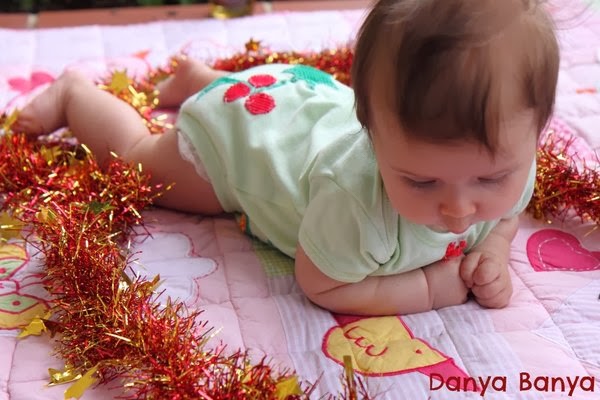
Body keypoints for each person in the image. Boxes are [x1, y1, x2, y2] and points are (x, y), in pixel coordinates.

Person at [14, 0, 559, 316]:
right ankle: (75, 93)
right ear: (372, 136)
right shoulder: (354, 207)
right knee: (138, 161)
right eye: (420, 182)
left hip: (298, 99)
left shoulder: (513, 159)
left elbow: (505, 213)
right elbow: (322, 284)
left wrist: (498, 246)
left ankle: (202, 80)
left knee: (266, 97)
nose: (460, 211)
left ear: (532, 135)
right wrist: (429, 288)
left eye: (491, 178)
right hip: (241, 145)